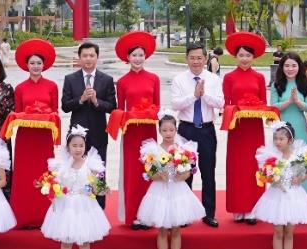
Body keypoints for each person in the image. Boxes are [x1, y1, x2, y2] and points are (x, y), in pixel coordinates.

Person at [136, 113, 205, 249]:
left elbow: (188, 172)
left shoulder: (183, 149)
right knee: (161, 229)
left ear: (176, 130)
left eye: (171, 130)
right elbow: (150, 174)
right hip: (159, 191)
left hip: (177, 191)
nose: (168, 133)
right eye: (164, 130)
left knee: (175, 229)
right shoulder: (152, 151)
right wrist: (159, 175)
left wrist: (181, 175)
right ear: (159, 130)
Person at [40, 125, 111, 249]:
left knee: (84, 241)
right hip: (66, 205)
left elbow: (96, 187)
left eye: (81, 145)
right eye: (74, 145)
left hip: (85, 204)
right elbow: (54, 185)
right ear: (68, 147)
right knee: (66, 240)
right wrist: (52, 191)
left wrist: (102, 190)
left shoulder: (91, 165)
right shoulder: (60, 165)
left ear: (85, 147)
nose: (78, 149)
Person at [8, 38, 61, 228]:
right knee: (24, 174)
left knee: (44, 173)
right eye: (32, 63)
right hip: (25, 138)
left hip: (43, 138)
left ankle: (44, 216)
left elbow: (55, 112)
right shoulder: (20, 88)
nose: (36, 66)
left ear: (44, 65)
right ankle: (23, 215)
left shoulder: (52, 86)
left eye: (39, 63)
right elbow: (18, 113)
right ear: (26, 65)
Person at [169, 43, 224, 227]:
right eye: (192, 58)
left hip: (207, 130)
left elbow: (220, 103)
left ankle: (209, 214)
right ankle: (185, 213)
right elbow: (175, 104)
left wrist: (204, 94)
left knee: (208, 173)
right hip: (186, 130)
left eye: (199, 58)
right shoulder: (179, 79)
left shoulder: (213, 79)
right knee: (185, 172)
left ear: (205, 59)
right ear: (187, 59)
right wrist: (194, 95)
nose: (196, 61)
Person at [253, 123, 307, 249]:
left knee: (289, 232)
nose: (278, 142)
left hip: (294, 196)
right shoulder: (271, 157)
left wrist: (300, 178)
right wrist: (271, 177)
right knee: (278, 231)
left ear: (290, 140)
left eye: (282, 139)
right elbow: (266, 176)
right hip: (277, 196)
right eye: (276, 139)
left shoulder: (299, 156)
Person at [222, 31, 270, 224]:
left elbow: (264, 102)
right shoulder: (229, 77)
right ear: (236, 56)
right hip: (237, 128)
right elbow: (225, 104)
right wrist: (237, 109)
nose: (244, 59)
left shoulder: (259, 77)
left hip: (254, 128)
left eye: (248, 56)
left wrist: (255, 109)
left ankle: (254, 209)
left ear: (253, 57)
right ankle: (238, 208)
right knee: (237, 167)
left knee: (254, 165)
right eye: (241, 55)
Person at [114, 30, 161, 227]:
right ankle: (132, 214)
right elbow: (119, 109)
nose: (138, 58)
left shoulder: (154, 79)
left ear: (146, 56)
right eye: (134, 55)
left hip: (149, 131)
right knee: (133, 173)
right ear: (128, 57)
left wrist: (148, 113)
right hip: (131, 133)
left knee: (150, 170)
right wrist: (130, 116)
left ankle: (150, 216)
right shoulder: (123, 82)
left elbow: (157, 106)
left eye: (141, 55)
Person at [61, 42, 116, 208]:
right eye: (84, 55)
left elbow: (112, 106)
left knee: (98, 172)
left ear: (97, 57)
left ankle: (98, 208)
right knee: (75, 172)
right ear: (79, 58)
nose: (88, 59)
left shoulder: (106, 80)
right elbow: (65, 105)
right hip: (77, 137)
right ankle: (75, 207)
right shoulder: (70, 79)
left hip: (99, 133)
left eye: (92, 55)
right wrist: (81, 99)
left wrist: (95, 101)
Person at [271, 52, 307, 199]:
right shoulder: (277, 85)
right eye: (287, 65)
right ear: (282, 67)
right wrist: (289, 101)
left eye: (293, 65)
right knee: (282, 162)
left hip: (299, 126)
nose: (290, 69)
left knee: (300, 161)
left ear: (299, 67)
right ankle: (281, 199)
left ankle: (304, 200)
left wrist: (298, 101)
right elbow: (273, 106)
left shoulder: (304, 84)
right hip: (281, 128)